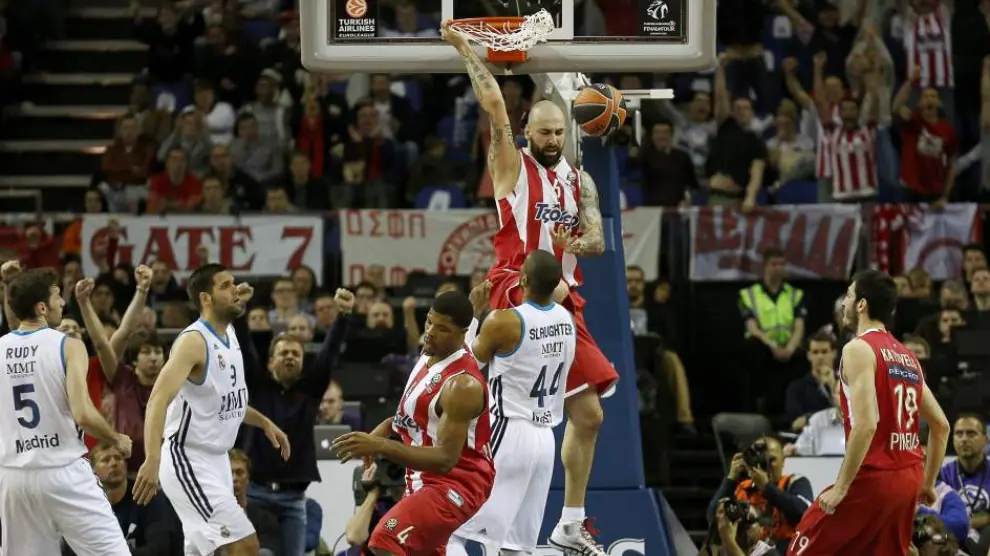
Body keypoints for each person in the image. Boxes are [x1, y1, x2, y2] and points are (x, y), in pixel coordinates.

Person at [442, 19, 617, 555]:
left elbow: (596, 241)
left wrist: (575, 240)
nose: (553, 140)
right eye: (544, 133)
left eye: (559, 132)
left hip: (564, 297)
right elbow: (495, 106)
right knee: (498, 402)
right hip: (514, 285)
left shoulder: (577, 179)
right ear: (527, 133)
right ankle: (460, 484)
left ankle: (570, 523)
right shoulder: (511, 166)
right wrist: (465, 49)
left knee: (589, 415)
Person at [786, 270, 951, 556]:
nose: (844, 302)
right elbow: (941, 426)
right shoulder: (908, 356)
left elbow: (867, 424)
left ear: (861, 304)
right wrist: (927, 483)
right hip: (908, 479)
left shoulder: (858, 349)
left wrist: (841, 487)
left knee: (802, 547)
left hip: (874, 477)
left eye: (849, 295)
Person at [131, 264, 291, 556]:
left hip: (217, 459)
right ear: (206, 298)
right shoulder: (194, 341)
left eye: (234, 283)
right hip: (187, 457)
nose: (235, 289)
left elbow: (226, 402)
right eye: (226, 285)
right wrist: (152, 458)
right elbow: (157, 400)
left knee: (206, 552)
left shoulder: (229, 333)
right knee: (245, 545)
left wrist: (264, 422)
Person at [332, 291, 495, 556]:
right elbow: (412, 418)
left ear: (461, 334)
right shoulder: (430, 353)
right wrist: (384, 429)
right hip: (422, 478)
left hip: (457, 483)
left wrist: (380, 445)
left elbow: (445, 459)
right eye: (429, 321)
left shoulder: (462, 385)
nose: (430, 332)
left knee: (385, 540)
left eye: (442, 328)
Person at [447, 251, 576, 556]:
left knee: (450, 530)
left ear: (523, 279)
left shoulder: (504, 321)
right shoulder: (566, 319)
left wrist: (473, 315)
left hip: (508, 430)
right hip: (545, 439)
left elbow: (462, 367)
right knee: (516, 546)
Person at [0, 265, 132, 555]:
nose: (62, 302)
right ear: (42, 307)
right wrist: (116, 438)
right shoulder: (69, 346)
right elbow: (82, 413)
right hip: (62, 470)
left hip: (13, 476)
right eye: (57, 295)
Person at [63, 443, 179, 555]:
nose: (114, 463)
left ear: (125, 465)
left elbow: (159, 550)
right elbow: (70, 551)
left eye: (118, 458)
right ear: (93, 472)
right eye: (106, 460)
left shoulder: (148, 496)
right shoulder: (84, 507)